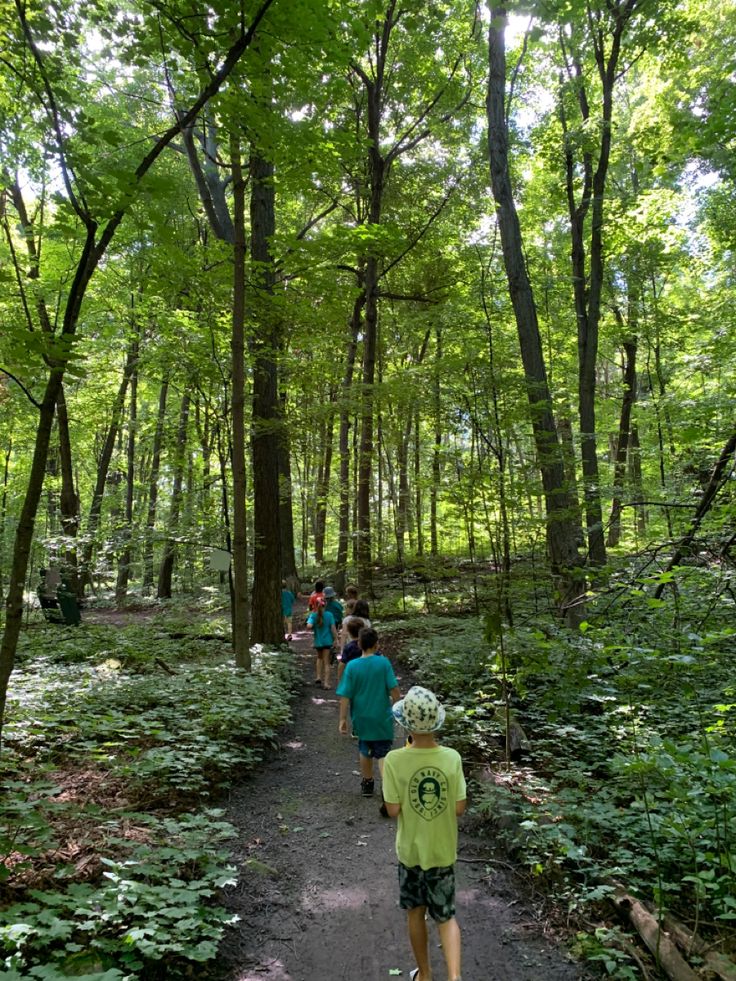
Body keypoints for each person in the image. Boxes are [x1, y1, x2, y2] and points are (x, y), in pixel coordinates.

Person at [382, 686, 467, 981]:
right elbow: (458, 807)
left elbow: (392, 810)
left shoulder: (394, 760)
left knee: (415, 913)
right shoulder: (452, 758)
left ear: (404, 724)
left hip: (411, 853)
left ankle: (426, 975)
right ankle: (455, 977)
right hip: (442, 851)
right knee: (446, 916)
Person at [337, 626, 399, 800]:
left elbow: (345, 696)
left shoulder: (351, 666)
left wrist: (342, 719)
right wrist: (398, 709)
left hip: (361, 717)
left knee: (365, 750)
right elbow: (394, 690)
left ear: (359, 644)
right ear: (377, 644)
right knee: (383, 753)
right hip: (382, 716)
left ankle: (367, 783)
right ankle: (387, 788)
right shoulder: (384, 663)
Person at [307, 599, 338, 689]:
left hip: (318, 642)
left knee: (319, 658)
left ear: (316, 605)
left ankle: (318, 677)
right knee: (327, 662)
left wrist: (311, 624)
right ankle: (326, 683)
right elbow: (333, 628)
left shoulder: (313, 615)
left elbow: (309, 626)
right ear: (326, 605)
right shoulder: (329, 615)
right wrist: (336, 639)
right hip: (327, 642)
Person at [323, 587, 343, 661]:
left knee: (329, 635)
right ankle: (332, 650)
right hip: (336, 622)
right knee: (335, 635)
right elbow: (340, 612)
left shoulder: (325, 605)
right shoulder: (337, 604)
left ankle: (329, 650)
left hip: (327, 622)